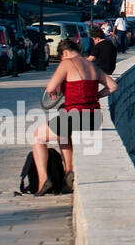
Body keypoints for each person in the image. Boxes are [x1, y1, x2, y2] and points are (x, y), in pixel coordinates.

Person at [29, 38, 117, 195]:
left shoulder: (67, 63)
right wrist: (95, 95)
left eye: (62, 56)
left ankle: (44, 180)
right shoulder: (92, 65)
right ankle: (69, 174)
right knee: (64, 136)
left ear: (65, 53)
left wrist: (53, 91)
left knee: (37, 136)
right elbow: (113, 86)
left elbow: (50, 87)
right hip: (94, 118)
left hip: (75, 116)